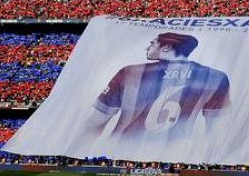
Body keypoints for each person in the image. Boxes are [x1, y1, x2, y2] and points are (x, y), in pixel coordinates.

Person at [80, 32, 231, 145]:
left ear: (165, 47)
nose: (148, 47)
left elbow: (96, 121)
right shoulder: (215, 77)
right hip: (174, 154)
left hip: (122, 150)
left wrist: (75, 152)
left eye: (152, 44)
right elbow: (216, 133)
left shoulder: (129, 73)